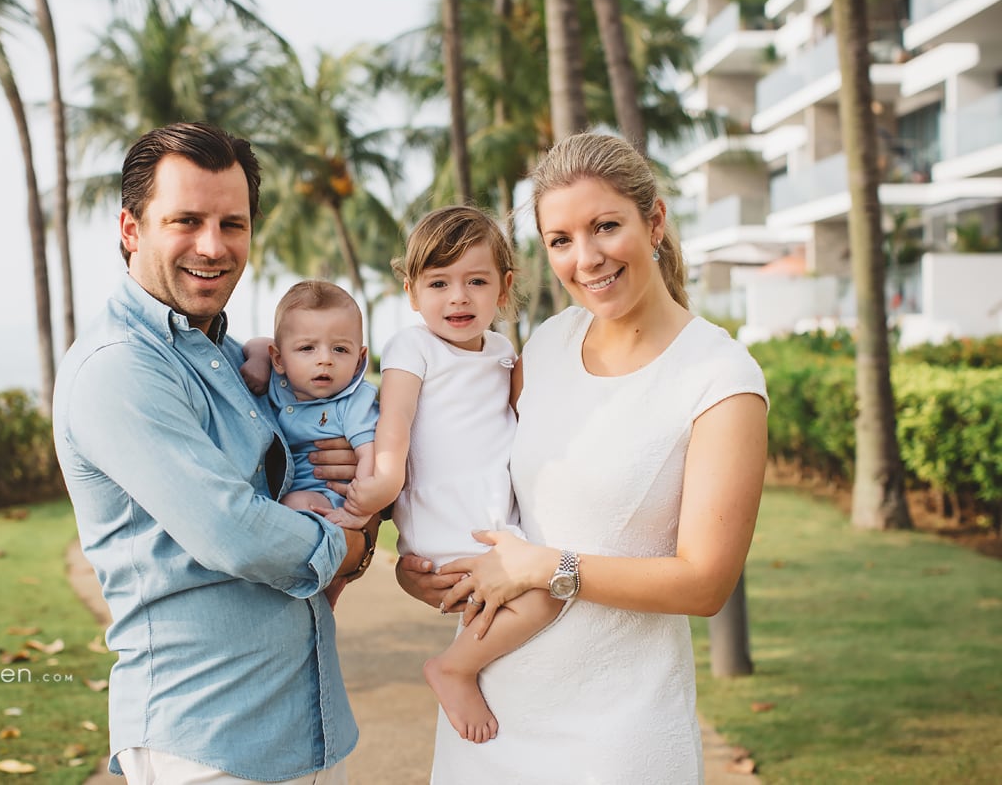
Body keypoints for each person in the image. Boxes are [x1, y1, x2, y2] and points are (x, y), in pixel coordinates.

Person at [396, 134, 769, 784]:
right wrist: (420, 569)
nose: (587, 258)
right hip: (487, 718)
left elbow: (705, 584)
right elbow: (469, 469)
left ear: (653, 222)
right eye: (561, 240)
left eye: (605, 227)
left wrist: (549, 567)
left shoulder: (719, 377)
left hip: (619, 736)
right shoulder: (544, 345)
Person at [52, 122, 376, 785]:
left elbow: (325, 451)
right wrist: (355, 545)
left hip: (307, 727)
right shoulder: (120, 368)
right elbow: (238, 532)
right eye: (186, 220)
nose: (213, 245)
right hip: (207, 744)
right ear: (130, 228)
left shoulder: (234, 362)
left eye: (233, 223)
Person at [330, 205, 562, 745]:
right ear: (412, 293)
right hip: (447, 524)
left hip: (491, 520)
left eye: (475, 281)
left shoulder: (504, 352)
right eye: (439, 282)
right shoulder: (413, 347)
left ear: (503, 289)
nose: (458, 297)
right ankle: (454, 667)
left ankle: (474, 671)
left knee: (538, 590)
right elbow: (396, 420)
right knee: (547, 591)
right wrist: (385, 479)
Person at [262, 279, 379, 607]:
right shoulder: (278, 385)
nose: (324, 359)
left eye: (340, 349)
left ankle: (326, 589)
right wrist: (255, 361)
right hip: (291, 490)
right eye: (307, 348)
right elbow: (257, 345)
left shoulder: (353, 401)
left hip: (328, 497)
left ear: (359, 358)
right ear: (279, 358)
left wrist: (359, 509)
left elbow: (369, 454)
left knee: (295, 507)